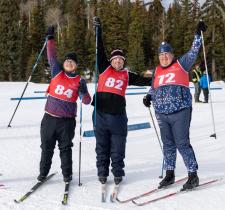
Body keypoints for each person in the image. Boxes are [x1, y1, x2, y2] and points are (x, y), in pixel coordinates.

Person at [143, 21, 206, 190]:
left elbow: (194, 51)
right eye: (161, 55)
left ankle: (193, 175)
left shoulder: (181, 64)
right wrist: (149, 96)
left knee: (182, 143)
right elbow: (154, 86)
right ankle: (169, 174)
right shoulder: (157, 70)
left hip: (180, 111)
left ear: (172, 54)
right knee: (168, 144)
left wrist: (197, 35)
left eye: (167, 54)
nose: (164, 57)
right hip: (161, 113)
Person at [93, 18, 152, 185]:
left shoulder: (127, 75)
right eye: (115, 59)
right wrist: (98, 30)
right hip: (101, 113)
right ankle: (102, 172)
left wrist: (159, 78)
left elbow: (144, 81)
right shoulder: (104, 68)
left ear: (123, 62)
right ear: (111, 61)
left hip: (118, 116)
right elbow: (100, 49)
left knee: (118, 147)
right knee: (102, 146)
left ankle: (117, 172)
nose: (118, 61)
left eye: (121, 59)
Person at [37, 26, 91, 183]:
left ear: (76, 66)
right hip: (49, 118)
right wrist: (50, 39)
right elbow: (51, 56)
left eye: (72, 62)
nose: (69, 63)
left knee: (65, 149)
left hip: (66, 122)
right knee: (46, 148)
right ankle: (43, 173)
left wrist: (84, 91)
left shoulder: (80, 80)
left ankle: (67, 175)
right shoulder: (56, 71)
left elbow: (86, 101)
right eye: (67, 61)